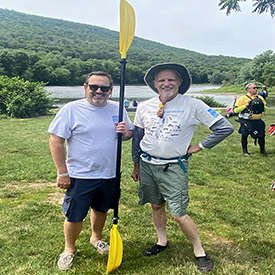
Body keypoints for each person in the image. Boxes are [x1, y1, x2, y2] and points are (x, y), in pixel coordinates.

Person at [131, 63, 234, 272]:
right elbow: (138, 137)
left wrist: (200, 146)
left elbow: (224, 127)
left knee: (179, 214)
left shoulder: (193, 105)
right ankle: (162, 242)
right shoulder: (144, 106)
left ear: (180, 82)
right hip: (147, 165)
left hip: (173, 167)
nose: (166, 83)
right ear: (154, 84)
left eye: (171, 79)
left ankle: (200, 251)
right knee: (156, 205)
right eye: (161, 80)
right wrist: (136, 165)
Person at [48, 71, 134, 270]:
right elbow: (56, 140)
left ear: (111, 90)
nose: (99, 91)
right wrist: (62, 172)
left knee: (102, 209)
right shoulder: (71, 109)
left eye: (104, 88)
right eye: (94, 86)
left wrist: (125, 133)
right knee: (75, 215)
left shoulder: (118, 108)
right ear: (85, 87)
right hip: (81, 174)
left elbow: (128, 133)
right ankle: (69, 249)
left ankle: (96, 238)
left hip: (110, 173)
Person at [234, 83, 267, 156]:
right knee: (245, 135)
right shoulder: (242, 98)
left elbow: (265, 107)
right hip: (247, 120)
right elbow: (236, 110)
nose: (256, 89)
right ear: (248, 89)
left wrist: (263, 109)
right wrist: (245, 105)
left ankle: (262, 150)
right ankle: (245, 151)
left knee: (262, 135)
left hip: (258, 120)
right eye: (254, 88)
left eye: (256, 88)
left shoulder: (260, 98)